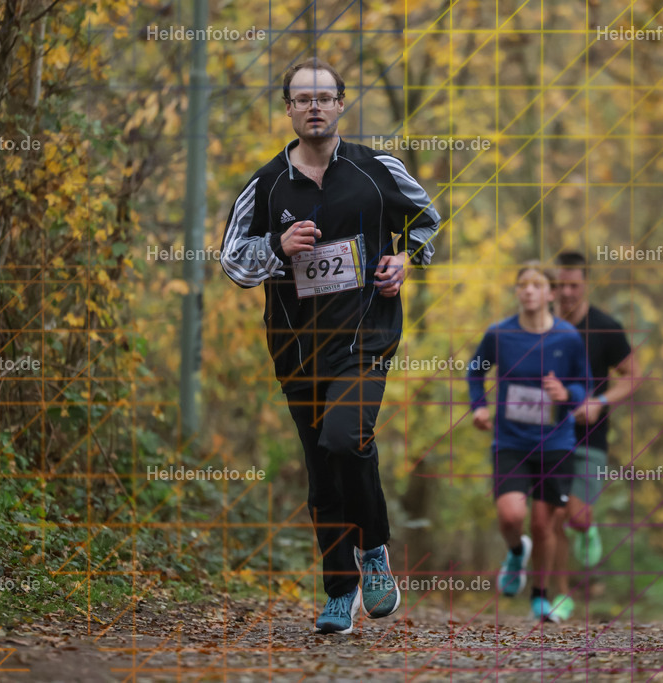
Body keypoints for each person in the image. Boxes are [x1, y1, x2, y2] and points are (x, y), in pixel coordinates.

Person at [219, 57, 441, 634]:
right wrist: (278, 245)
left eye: (324, 97)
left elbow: (427, 221)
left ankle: (373, 552)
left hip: (365, 335)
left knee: (347, 436)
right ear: (288, 109)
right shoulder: (265, 185)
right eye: (302, 98)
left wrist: (404, 262)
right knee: (321, 469)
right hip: (296, 347)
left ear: (342, 103)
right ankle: (339, 593)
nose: (314, 106)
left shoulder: (376, 169)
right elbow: (232, 261)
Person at [467, 261, 592, 622]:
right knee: (511, 516)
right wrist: (479, 407)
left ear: (551, 293)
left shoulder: (567, 337)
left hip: (555, 443)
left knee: (543, 524)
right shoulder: (499, 334)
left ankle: (540, 597)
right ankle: (515, 550)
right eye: (522, 284)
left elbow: (584, 386)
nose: (528, 291)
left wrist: (565, 392)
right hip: (511, 441)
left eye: (537, 285)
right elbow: (476, 371)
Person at [549, 250, 638, 622]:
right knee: (553, 517)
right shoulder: (540, 326)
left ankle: (587, 528)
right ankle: (558, 597)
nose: (566, 292)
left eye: (574, 284)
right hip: (548, 437)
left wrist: (600, 401)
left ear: (585, 284)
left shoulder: (605, 327)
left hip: (590, 437)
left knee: (577, 517)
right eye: (560, 285)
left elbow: (633, 375)